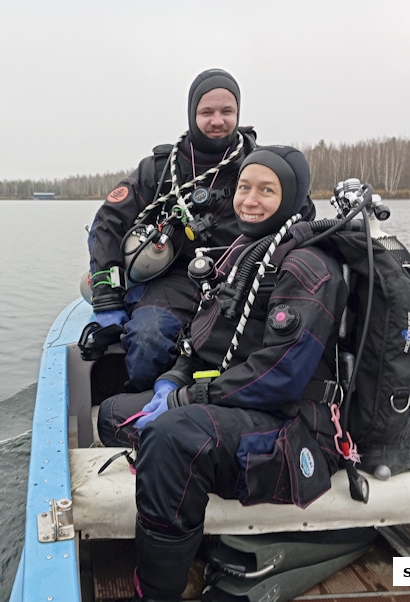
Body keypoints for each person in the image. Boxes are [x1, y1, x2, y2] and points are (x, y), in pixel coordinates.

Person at [97, 146, 348, 601]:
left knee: (171, 437)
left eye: (266, 191)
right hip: (240, 407)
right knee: (112, 415)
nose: (250, 200)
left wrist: (187, 401)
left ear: (291, 197)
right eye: (244, 188)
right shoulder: (243, 254)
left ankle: (157, 590)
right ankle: (183, 494)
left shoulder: (308, 267)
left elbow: (281, 375)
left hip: (291, 426)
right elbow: (202, 339)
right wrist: (172, 379)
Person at [86, 68, 259, 392]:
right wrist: (107, 298)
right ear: (192, 114)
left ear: (238, 113)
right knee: (148, 337)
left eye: (227, 111)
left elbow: (298, 214)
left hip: (244, 277)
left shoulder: (260, 165)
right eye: (207, 112)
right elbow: (107, 223)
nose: (218, 120)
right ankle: (139, 409)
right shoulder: (161, 169)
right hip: (176, 278)